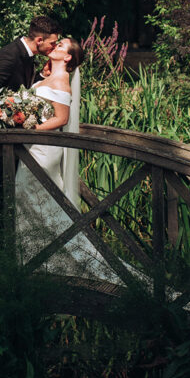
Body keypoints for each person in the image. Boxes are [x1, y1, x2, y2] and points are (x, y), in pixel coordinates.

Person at [14, 36, 122, 281]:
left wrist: (30, 130)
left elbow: (61, 119)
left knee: (35, 201)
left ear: (69, 58)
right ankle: (38, 264)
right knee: (29, 203)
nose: (56, 46)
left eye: (61, 45)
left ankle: (46, 266)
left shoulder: (62, 81)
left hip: (43, 153)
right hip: (35, 148)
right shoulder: (50, 77)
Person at [0, 16, 60, 137]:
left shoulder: (28, 54)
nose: (54, 46)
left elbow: (24, 88)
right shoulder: (10, 54)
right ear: (39, 40)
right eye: (52, 43)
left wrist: (42, 74)